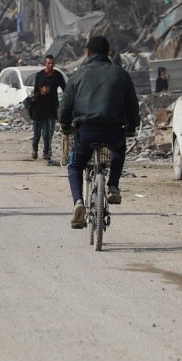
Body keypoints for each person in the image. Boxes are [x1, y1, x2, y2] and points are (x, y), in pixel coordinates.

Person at [60, 35, 141, 229]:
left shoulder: (78, 75)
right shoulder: (121, 74)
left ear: (87, 53)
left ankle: (78, 201)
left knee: (76, 165)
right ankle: (113, 185)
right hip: (114, 130)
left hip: (86, 131)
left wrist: (65, 125)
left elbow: (65, 107)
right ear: (109, 52)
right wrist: (131, 126)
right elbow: (132, 106)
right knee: (118, 150)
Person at [27, 55, 65, 163]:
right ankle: (35, 148)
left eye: (52, 63)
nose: (51, 65)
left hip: (52, 107)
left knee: (48, 133)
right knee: (37, 135)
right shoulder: (39, 75)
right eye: (48, 63)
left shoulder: (57, 75)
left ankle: (46, 152)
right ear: (45, 63)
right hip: (39, 110)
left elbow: (65, 88)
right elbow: (34, 92)